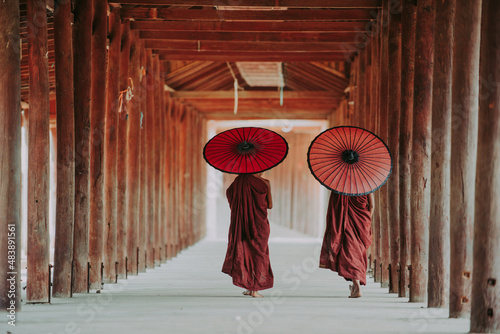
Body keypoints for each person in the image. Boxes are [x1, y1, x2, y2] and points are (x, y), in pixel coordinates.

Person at [222, 172, 274, 298]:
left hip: (242, 223)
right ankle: (254, 288)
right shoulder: (265, 183)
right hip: (260, 224)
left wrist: (244, 208)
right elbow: (270, 206)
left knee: (245, 253)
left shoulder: (239, 181)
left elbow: (230, 195)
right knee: (259, 254)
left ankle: (250, 286)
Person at [319, 191, 375, 298]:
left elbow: (334, 209)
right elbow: (371, 206)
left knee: (350, 251)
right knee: (356, 251)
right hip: (361, 222)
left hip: (345, 223)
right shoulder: (366, 185)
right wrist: (366, 220)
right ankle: (355, 285)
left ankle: (356, 285)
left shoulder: (341, 187)